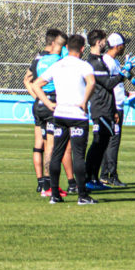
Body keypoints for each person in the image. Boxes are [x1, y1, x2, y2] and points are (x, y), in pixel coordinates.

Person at [33, 34, 97, 205]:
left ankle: (54, 194)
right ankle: (82, 196)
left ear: (66, 48)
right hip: (77, 115)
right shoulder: (84, 65)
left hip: (60, 114)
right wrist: (84, 101)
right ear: (83, 49)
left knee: (56, 153)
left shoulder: (58, 65)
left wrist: (48, 103)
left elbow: (36, 84)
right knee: (78, 156)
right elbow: (91, 82)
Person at [22, 28, 72, 197]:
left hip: (39, 104)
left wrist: (39, 97)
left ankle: (42, 184)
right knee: (51, 146)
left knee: (39, 145)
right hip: (51, 103)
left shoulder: (39, 59)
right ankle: (50, 187)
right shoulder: (58, 60)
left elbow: (27, 80)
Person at [85, 32, 131, 190]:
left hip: (108, 106)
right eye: (104, 41)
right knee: (98, 144)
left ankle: (95, 178)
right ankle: (90, 178)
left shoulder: (99, 60)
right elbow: (108, 84)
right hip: (101, 107)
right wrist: (123, 74)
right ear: (99, 42)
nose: (106, 43)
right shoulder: (96, 61)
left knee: (102, 144)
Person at [100, 33, 135, 187]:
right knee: (112, 142)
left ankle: (104, 175)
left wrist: (129, 73)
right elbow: (109, 84)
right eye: (123, 44)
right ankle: (110, 175)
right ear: (117, 45)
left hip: (117, 105)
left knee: (109, 141)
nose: (124, 47)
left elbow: (129, 81)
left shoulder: (114, 61)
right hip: (113, 107)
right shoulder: (107, 61)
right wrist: (115, 107)